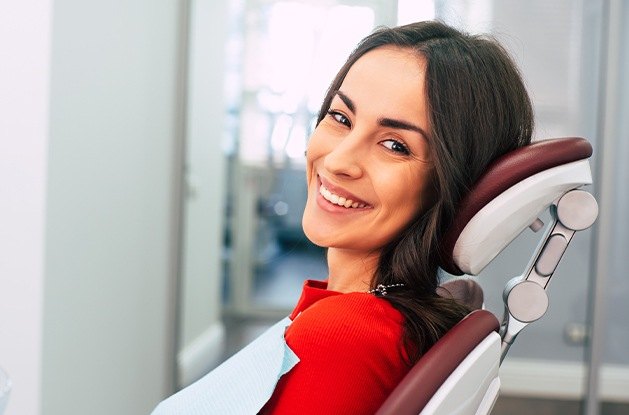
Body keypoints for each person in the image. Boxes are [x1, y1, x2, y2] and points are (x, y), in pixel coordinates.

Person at [153, 20, 533, 415]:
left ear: (453, 184)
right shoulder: (366, 317)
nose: (337, 161)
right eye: (340, 118)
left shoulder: (342, 336)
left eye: (394, 145)